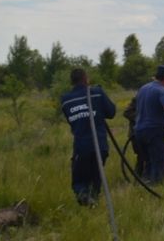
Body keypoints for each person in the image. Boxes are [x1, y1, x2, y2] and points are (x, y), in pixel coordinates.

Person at [60, 68, 116, 207]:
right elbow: (111, 112)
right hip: (100, 145)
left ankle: (87, 200)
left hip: (82, 147)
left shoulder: (65, 100)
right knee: (95, 177)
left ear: (72, 81)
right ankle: (92, 201)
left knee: (80, 180)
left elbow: (72, 121)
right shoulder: (97, 93)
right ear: (86, 79)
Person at [134, 65, 164, 184]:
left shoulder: (143, 88)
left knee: (148, 161)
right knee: (158, 161)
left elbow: (149, 109)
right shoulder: (162, 90)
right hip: (153, 132)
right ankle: (156, 187)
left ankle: (145, 185)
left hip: (139, 131)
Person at [122, 96, 146, 177]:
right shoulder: (138, 99)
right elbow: (126, 113)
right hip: (136, 134)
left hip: (149, 133)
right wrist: (141, 118)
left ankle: (147, 178)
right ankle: (138, 179)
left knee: (147, 157)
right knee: (142, 156)